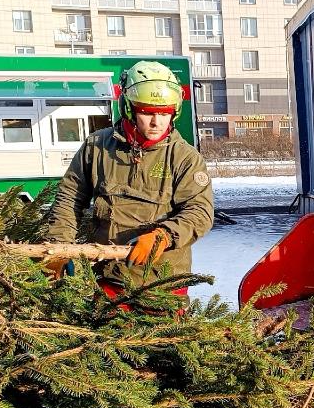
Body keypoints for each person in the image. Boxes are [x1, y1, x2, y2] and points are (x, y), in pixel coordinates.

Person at [45, 60, 213, 298]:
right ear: (129, 108)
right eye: (147, 112)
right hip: (107, 279)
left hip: (162, 283)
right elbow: (69, 199)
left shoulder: (185, 157)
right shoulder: (97, 147)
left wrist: (163, 236)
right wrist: (58, 248)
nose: (157, 122)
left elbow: (199, 212)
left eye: (164, 113)